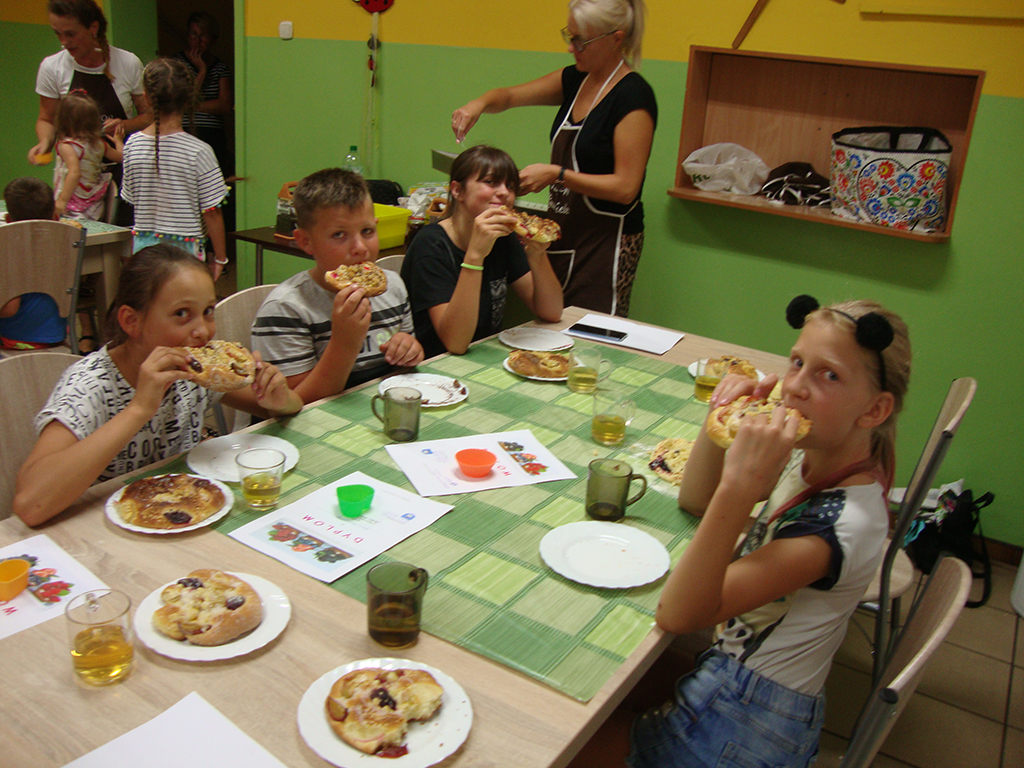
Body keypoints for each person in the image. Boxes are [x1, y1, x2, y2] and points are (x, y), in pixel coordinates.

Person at [568, 296, 912, 768]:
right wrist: (721, 419)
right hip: (730, 680)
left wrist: (739, 487)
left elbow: (679, 614)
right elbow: (695, 501)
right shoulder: (816, 454)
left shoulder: (838, 526)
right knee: (589, 669)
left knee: (554, 739)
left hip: (745, 728)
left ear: (875, 409)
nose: (796, 387)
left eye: (828, 375)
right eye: (796, 362)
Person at [13, 244, 303, 527]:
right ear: (131, 321)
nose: (202, 331)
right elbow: (30, 505)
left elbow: (285, 406)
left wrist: (278, 398)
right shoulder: (90, 385)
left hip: (185, 513)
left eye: (208, 310)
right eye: (181, 314)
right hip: (102, 528)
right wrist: (139, 408)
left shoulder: (193, 373)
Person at [451, 0, 656, 317]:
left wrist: (557, 174)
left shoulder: (633, 97)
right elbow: (507, 97)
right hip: (563, 229)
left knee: (590, 332)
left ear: (616, 38)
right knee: (553, 322)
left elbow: (626, 187)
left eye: (581, 41)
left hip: (607, 242)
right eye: (569, 36)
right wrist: (477, 105)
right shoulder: (576, 80)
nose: (572, 48)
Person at [251, 168, 424, 404]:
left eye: (367, 231)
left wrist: (410, 350)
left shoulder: (392, 286)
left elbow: (405, 370)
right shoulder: (285, 310)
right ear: (306, 241)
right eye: (339, 235)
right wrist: (345, 343)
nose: (360, 247)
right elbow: (294, 406)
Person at [400, 145, 563, 359]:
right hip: (437, 366)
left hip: (485, 356)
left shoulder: (504, 238)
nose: (504, 192)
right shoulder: (430, 245)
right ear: (457, 190)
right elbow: (456, 344)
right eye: (490, 182)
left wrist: (537, 254)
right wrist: (475, 256)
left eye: (510, 186)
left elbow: (552, 312)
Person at [28, 0, 150, 211]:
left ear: (93, 27)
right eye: (57, 34)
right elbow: (46, 119)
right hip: (75, 184)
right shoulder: (52, 67)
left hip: (123, 173)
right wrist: (45, 143)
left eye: (70, 34)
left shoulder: (128, 63)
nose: (64, 42)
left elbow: (149, 116)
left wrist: (124, 125)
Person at [120, 58, 230, 280]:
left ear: (147, 98)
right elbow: (212, 212)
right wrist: (220, 258)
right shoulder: (200, 151)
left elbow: (131, 199)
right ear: (189, 99)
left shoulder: (132, 144)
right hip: (185, 255)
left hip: (144, 251)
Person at [0, 178, 66, 350]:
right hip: (57, 336)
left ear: (8, 221)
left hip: (14, 339)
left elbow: (9, 309)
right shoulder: (67, 244)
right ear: (56, 217)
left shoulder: (11, 251)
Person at [52, 90, 124, 220]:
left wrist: (62, 201)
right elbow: (122, 157)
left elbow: (74, 173)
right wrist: (118, 141)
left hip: (72, 205)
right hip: (95, 205)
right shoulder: (100, 144)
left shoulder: (67, 146)